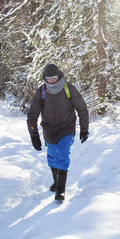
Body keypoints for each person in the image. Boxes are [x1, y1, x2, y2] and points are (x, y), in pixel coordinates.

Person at [27, 63, 89, 201]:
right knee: (52, 157)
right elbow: (32, 115)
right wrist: (34, 136)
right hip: (49, 130)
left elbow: (82, 109)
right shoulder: (41, 91)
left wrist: (84, 129)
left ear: (59, 75)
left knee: (62, 155)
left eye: (54, 77)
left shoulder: (69, 89)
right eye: (48, 78)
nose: (52, 80)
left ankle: (60, 191)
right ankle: (56, 183)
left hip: (67, 128)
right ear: (44, 77)